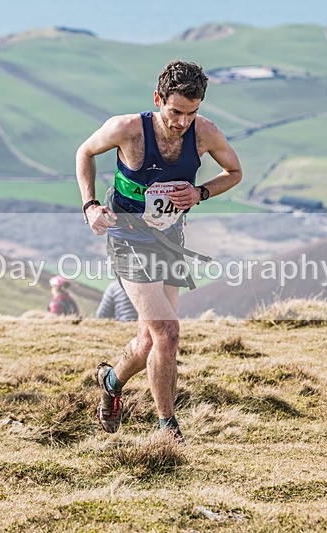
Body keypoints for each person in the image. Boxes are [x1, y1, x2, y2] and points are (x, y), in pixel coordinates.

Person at [75, 59, 242, 442]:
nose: (183, 122)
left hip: (170, 239)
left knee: (149, 341)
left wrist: (200, 193)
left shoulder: (205, 133)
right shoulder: (126, 129)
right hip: (128, 238)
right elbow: (85, 152)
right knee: (168, 333)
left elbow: (234, 172)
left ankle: (111, 382)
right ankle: (168, 428)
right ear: (158, 99)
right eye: (176, 112)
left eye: (191, 113)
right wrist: (90, 205)